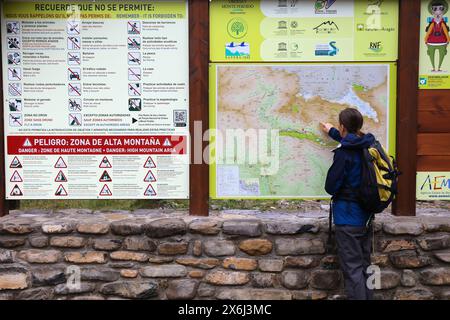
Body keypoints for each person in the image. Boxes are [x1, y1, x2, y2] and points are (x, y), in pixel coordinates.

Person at [320, 108, 376, 300]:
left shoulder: (344, 153)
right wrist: (332, 133)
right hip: (366, 217)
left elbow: (331, 186)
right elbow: (350, 140)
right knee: (366, 266)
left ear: (342, 126)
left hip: (347, 218)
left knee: (352, 270)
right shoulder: (368, 145)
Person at [424, 0, 450, 72]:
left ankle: (439, 68)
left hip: (442, 42)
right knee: (431, 55)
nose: (438, 13)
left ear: (443, 13)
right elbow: (428, 32)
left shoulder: (443, 24)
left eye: (440, 9)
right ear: (432, 13)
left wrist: (448, 40)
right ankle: (433, 67)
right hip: (431, 43)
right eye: (435, 9)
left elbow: (446, 32)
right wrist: (426, 40)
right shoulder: (432, 24)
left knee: (442, 55)